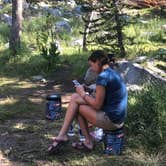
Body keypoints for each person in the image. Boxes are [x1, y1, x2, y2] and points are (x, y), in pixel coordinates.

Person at [48, 50, 128, 153]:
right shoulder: (111, 73)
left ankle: (72, 138)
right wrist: (87, 91)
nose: (92, 69)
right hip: (118, 118)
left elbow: (97, 105)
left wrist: (82, 93)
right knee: (75, 98)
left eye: (92, 65)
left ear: (98, 62)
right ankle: (65, 135)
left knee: (77, 106)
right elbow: (103, 97)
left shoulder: (102, 77)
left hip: (112, 120)